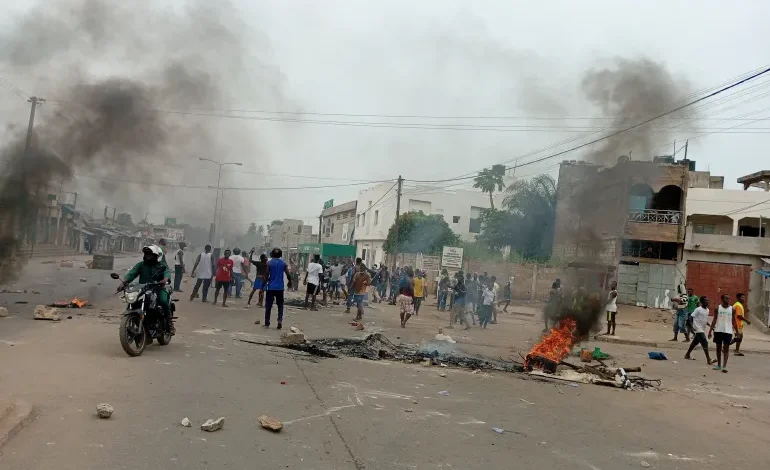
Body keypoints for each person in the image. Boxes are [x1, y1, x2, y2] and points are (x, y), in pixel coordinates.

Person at [120, 245, 173, 334]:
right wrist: (123, 282)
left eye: (150, 254)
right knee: (133, 302)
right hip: (143, 289)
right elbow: (131, 274)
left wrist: (164, 280)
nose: (148, 256)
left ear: (156, 256)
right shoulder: (140, 265)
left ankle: (169, 324)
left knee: (163, 301)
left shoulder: (161, 265)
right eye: (146, 254)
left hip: (158, 288)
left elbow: (166, 273)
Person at [262, 248, 292, 329]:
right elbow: (288, 274)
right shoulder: (283, 263)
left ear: (271, 254)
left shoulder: (269, 263)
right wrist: (290, 282)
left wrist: (262, 286)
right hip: (280, 288)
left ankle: (267, 323)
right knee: (280, 305)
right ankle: (279, 321)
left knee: (268, 306)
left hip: (271, 287)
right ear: (281, 255)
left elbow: (266, 275)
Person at [708, 293, 736, 373]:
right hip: (718, 330)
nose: (728, 300)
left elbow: (733, 321)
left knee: (726, 349)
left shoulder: (732, 309)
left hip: (728, 331)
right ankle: (719, 365)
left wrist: (737, 332)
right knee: (718, 348)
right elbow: (714, 320)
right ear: (722, 299)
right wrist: (710, 331)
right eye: (726, 298)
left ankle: (724, 366)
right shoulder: (718, 308)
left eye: (729, 298)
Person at [685, 296, 716, 365]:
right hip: (697, 328)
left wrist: (711, 326)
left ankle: (687, 354)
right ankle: (709, 359)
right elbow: (690, 318)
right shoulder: (698, 309)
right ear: (701, 302)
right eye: (705, 301)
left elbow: (704, 320)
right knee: (705, 342)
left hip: (702, 328)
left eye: (708, 300)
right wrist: (692, 327)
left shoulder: (707, 310)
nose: (707, 302)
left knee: (695, 342)